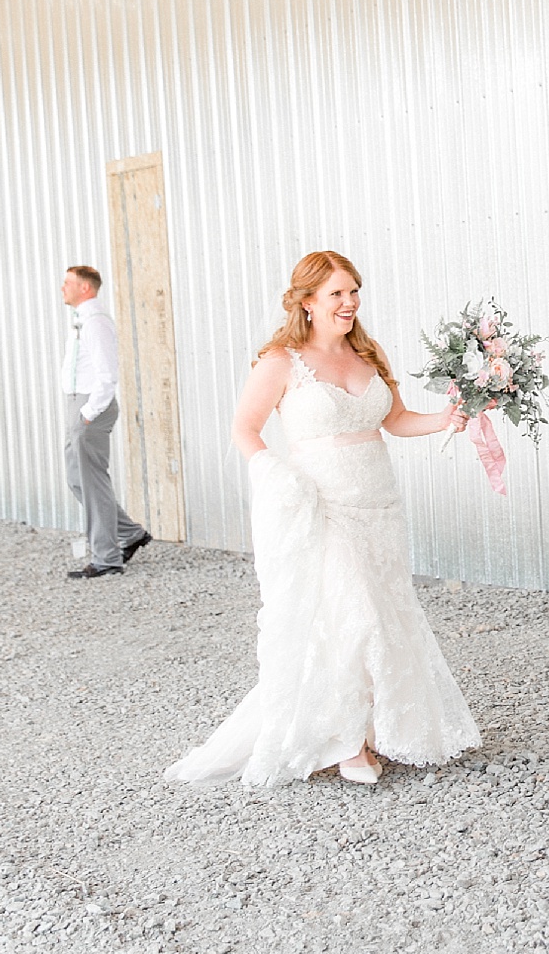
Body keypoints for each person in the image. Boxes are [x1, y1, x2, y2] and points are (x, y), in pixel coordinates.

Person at [166, 250, 481, 787]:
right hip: (320, 503)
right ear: (307, 302)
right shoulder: (281, 361)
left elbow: (397, 420)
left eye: (354, 290)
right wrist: (272, 473)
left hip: (378, 504)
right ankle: (346, 742)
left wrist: (447, 418)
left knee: (383, 612)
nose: (349, 302)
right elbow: (245, 428)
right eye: (336, 293)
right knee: (346, 614)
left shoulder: (369, 352)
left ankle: (382, 726)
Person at [59, 265, 151, 578]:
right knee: (77, 479)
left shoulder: (96, 323)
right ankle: (131, 533)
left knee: (92, 482)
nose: (63, 288)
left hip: (89, 407)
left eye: (68, 283)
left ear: (85, 288)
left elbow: (107, 375)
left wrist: (87, 413)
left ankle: (107, 558)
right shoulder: (82, 321)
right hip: (78, 404)